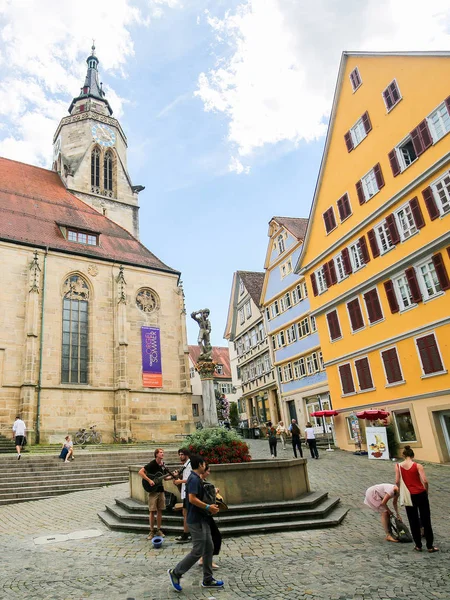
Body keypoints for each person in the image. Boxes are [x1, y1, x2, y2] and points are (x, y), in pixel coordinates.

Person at [168, 454, 224, 592]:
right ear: (200, 465)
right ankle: (176, 573)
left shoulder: (196, 478)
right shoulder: (193, 479)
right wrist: (207, 507)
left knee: (209, 547)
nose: (205, 466)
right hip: (195, 520)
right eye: (204, 463)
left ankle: (208, 579)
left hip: (202, 519)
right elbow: (192, 499)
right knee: (198, 550)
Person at [395, 445, 439, 553]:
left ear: (403, 455)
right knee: (426, 519)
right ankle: (430, 546)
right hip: (420, 494)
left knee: (413, 520)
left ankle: (418, 545)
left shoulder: (398, 466)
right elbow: (425, 481)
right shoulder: (418, 465)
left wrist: (400, 491)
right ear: (413, 455)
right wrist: (426, 491)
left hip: (409, 495)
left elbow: (397, 481)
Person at [138, 448, 175, 539]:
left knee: (160, 510)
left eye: (163, 452)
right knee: (152, 511)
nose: (163, 454)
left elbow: (165, 478)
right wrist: (150, 480)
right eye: (161, 452)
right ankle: (151, 531)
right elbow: (140, 472)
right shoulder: (152, 464)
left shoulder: (163, 465)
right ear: (156, 454)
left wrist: (174, 476)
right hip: (153, 491)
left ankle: (158, 530)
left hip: (161, 490)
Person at [198, 463, 221, 569]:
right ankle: (207, 560)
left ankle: (204, 559)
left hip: (204, 513)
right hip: (203, 514)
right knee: (213, 537)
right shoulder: (198, 482)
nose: (209, 473)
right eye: (208, 471)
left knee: (210, 537)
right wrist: (214, 491)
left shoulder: (202, 482)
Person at [174, 448, 192, 544]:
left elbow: (190, 479)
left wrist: (179, 481)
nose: (180, 456)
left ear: (186, 455)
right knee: (185, 513)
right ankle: (187, 533)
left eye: (182, 454)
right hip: (186, 492)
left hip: (189, 492)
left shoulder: (189, 465)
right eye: (179, 455)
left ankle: (186, 534)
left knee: (186, 513)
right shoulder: (185, 465)